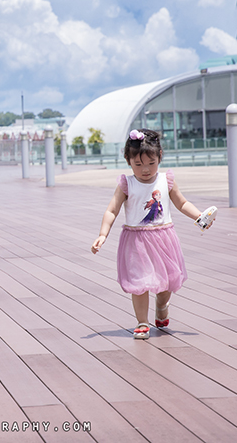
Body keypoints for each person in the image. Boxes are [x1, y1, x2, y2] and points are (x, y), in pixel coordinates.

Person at [91, 129, 213, 339]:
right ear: (128, 161)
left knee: (166, 281)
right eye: (138, 165)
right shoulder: (126, 184)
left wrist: (199, 216)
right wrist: (103, 234)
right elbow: (112, 210)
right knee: (139, 283)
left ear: (159, 158)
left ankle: (162, 304)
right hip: (136, 240)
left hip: (164, 238)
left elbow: (182, 203)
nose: (145, 169)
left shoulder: (166, 181)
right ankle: (142, 322)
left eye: (151, 163)